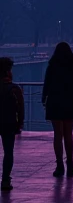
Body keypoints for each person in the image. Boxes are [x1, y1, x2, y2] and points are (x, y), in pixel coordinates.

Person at [42, 43, 73, 178]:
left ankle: (59, 165)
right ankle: (70, 164)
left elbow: (46, 85)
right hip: (70, 102)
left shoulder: (52, 67)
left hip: (55, 102)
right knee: (68, 134)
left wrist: (44, 99)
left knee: (57, 135)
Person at [0, 58, 24, 192]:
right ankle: (5, 179)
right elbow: (20, 109)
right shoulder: (15, 89)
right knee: (8, 152)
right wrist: (19, 124)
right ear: (8, 72)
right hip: (9, 123)